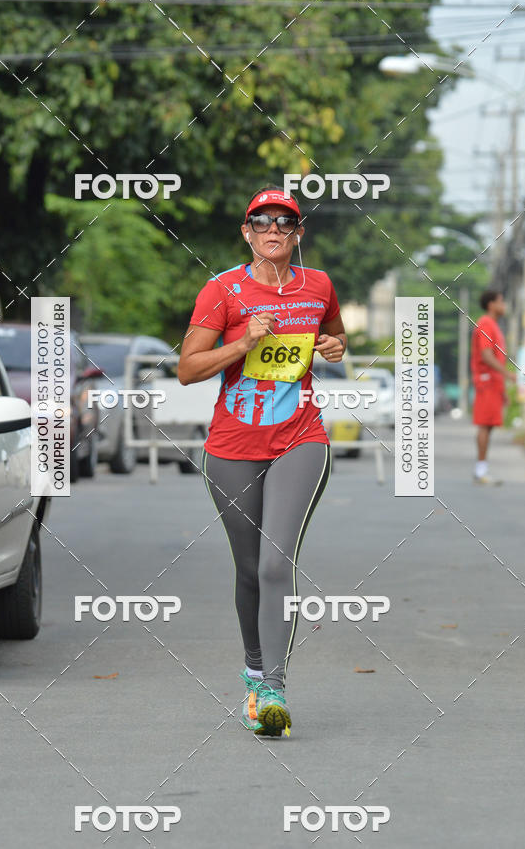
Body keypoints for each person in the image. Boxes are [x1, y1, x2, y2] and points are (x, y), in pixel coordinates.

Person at [177, 185, 346, 737]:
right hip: (231, 448)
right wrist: (242, 342)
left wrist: (333, 347)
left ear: (298, 234)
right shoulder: (221, 290)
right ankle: (254, 671)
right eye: (262, 221)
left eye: (285, 221)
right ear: (246, 232)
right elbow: (188, 369)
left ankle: (273, 689)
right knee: (249, 568)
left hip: (301, 437)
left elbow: (335, 335)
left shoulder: (318, 285)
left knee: (276, 564)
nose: (274, 229)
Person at [470, 289, 516, 485]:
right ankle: (480, 471)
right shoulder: (486, 324)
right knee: (485, 425)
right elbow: (487, 356)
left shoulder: (493, 326)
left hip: (494, 383)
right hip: (487, 381)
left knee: (488, 426)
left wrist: (503, 389)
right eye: (501, 301)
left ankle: (482, 469)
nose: (503, 305)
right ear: (491, 305)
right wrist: (507, 374)